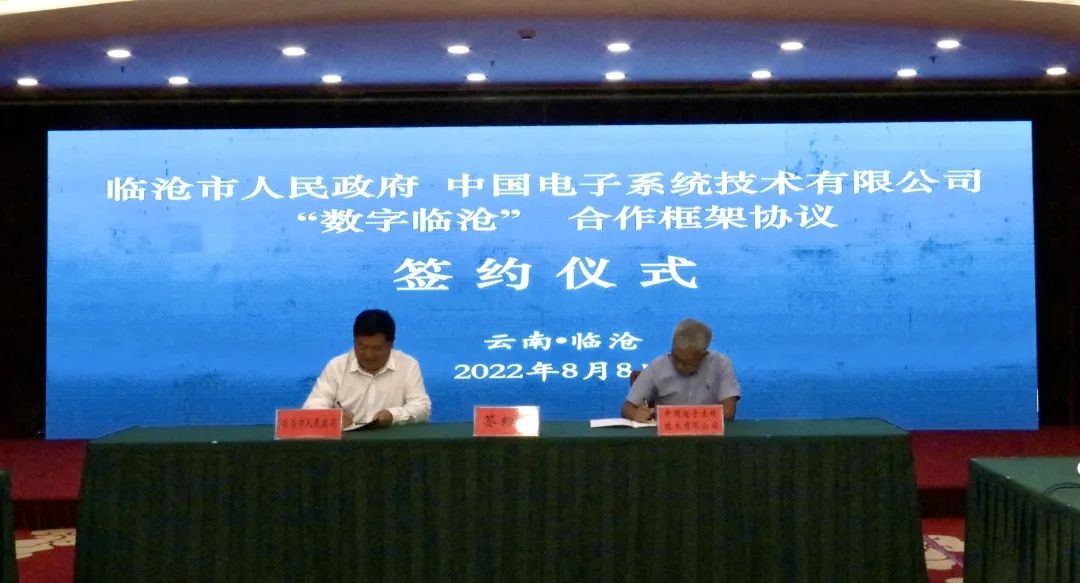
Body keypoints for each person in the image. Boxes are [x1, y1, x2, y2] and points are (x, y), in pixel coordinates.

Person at [303, 309, 431, 428]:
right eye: (362, 347)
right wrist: (334, 418)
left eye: (376, 348)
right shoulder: (336, 366)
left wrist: (392, 415)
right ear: (354, 340)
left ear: (391, 344)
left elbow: (422, 407)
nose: (369, 355)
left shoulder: (408, 365)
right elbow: (312, 406)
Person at [621, 318, 740, 422]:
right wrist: (636, 414)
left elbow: (728, 412)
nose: (679, 365)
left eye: (686, 362)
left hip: (709, 434)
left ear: (704, 355)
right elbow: (627, 408)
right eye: (675, 357)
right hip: (667, 436)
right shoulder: (657, 366)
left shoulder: (721, 364)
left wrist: (687, 419)